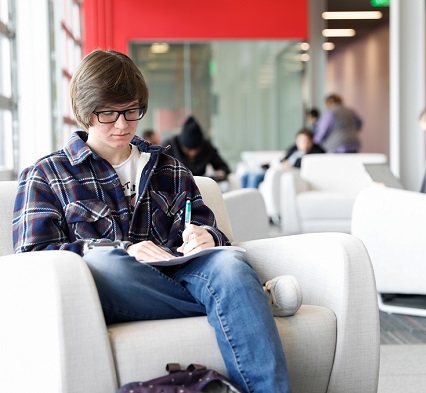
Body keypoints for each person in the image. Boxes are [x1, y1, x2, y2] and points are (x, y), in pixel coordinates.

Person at [12, 49, 302, 393]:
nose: (122, 124)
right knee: (107, 262)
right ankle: (244, 299)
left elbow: (208, 228)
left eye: (132, 111)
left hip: (181, 273)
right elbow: (34, 260)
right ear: (84, 111)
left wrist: (207, 236)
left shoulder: (170, 167)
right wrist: (124, 250)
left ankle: (237, 294)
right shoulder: (46, 174)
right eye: (107, 114)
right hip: (111, 285)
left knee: (230, 262)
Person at [241, 128, 324, 189]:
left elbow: (309, 165)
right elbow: (284, 159)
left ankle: (249, 203)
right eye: (300, 141)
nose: (304, 144)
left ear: (312, 141)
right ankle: (243, 202)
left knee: (255, 176)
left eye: (306, 141)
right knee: (246, 175)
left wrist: (291, 164)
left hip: (284, 172)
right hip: (277, 167)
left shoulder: (315, 152)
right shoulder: (293, 150)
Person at [163, 116, 231, 183]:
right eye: (188, 150)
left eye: (197, 150)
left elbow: (224, 168)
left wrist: (220, 173)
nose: (193, 153)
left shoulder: (207, 147)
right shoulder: (169, 146)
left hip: (200, 187)